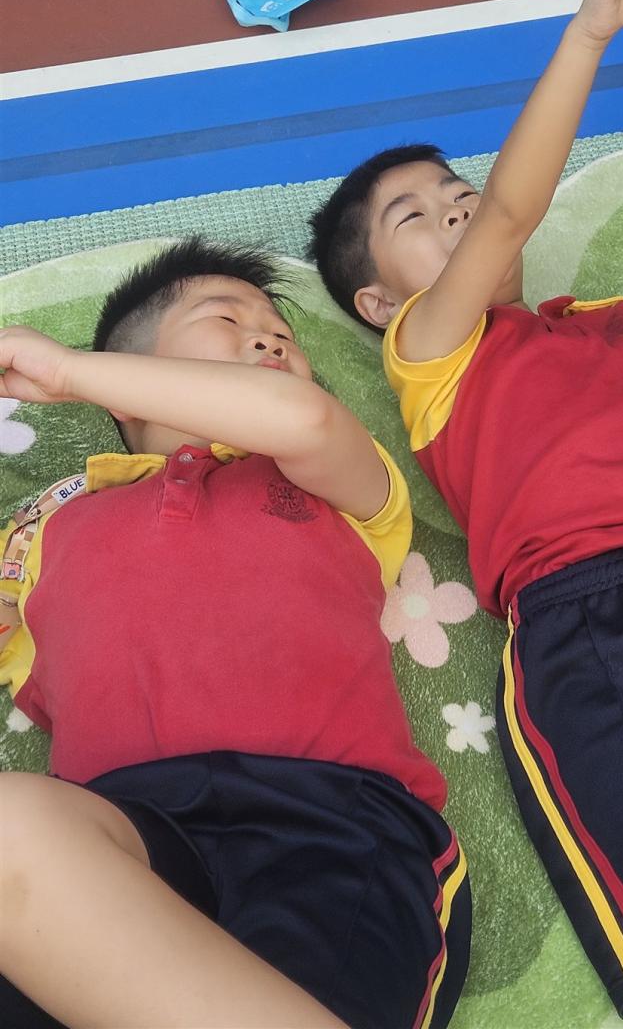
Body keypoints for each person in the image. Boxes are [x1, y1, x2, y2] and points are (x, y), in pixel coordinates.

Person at [308, 0, 623, 1020]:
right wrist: (589, 30)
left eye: (457, 192)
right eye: (416, 216)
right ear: (376, 302)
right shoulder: (431, 353)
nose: (456, 209)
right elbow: (510, 217)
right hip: (602, 612)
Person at [0, 238, 471, 1029]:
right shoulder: (51, 528)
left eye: (282, 334)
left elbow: (304, 418)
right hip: (114, 842)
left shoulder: (330, 480)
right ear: (130, 383)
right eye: (227, 320)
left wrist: (67, 371)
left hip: (326, 822)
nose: (271, 339)